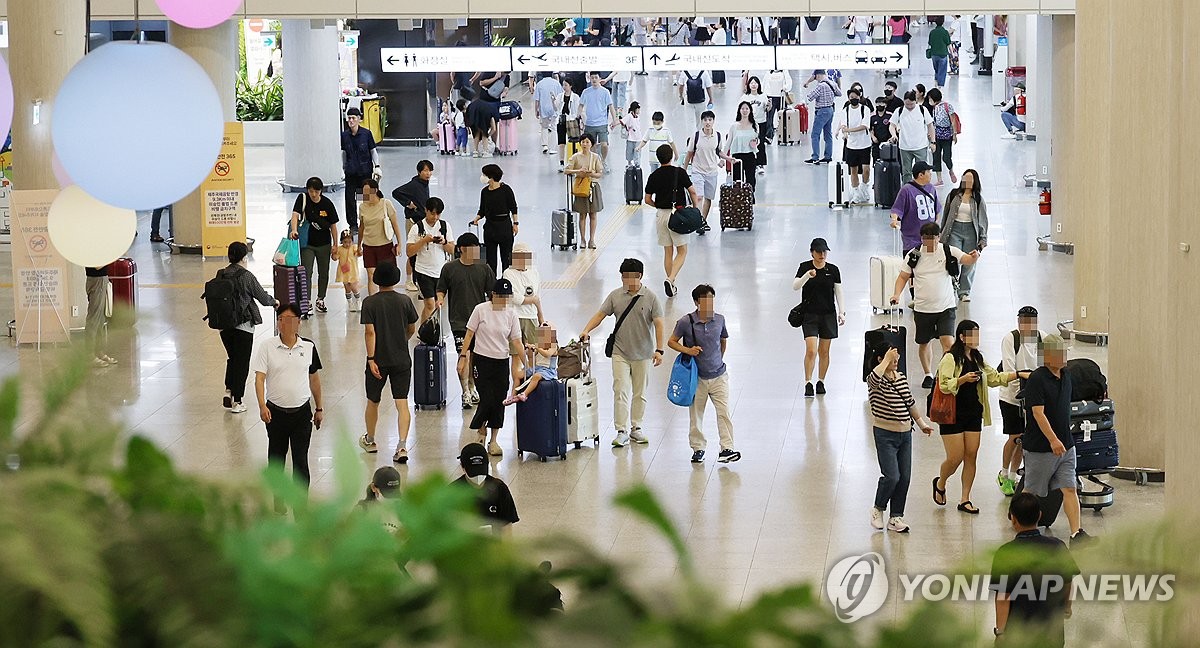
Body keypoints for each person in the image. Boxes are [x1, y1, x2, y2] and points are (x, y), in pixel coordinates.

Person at [932, 320, 1024, 515]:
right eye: (972, 335)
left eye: (978, 335)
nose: (976, 339)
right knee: (955, 457)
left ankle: (965, 499)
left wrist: (1018, 374)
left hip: (973, 414)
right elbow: (944, 385)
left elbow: (994, 378)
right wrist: (963, 379)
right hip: (952, 415)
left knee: (971, 455)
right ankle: (940, 482)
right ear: (962, 337)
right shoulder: (950, 358)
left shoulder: (978, 359)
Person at [579, 258, 666, 448]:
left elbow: (659, 323)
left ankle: (637, 427)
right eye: (624, 276)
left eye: (630, 277)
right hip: (620, 352)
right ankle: (621, 430)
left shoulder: (650, 297)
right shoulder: (615, 296)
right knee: (620, 390)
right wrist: (587, 330)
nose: (626, 280)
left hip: (643, 353)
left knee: (640, 392)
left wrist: (659, 350)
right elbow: (600, 315)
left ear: (640, 276)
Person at [1022, 334, 1093, 545]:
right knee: (1031, 493)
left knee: (1069, 488)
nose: (1063, 357)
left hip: (1066, 445)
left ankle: (1076, 534)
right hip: (1041, 448)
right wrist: (1053, 440)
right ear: (1046, 357)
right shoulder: (1037, 379)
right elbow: (1037, 413)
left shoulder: (1067, 375)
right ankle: (1025, 533)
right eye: (1058, 353)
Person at [890, 221, 980, 388]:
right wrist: (896, 294)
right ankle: (928, 374)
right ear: (921, 238)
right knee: (924, 343)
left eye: (933, 238)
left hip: (946, 307)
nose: (930, 242)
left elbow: (966, 259)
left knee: (948, 342)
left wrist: (974, 257)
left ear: (939, 237)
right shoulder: (913, 255)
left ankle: (946, 374)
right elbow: (903, 277)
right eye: (926, 238)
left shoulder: (947, 250)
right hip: (923, 308)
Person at [251, 303, 324, 505]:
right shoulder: (267, 347)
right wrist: (261, 406)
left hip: (301, 414)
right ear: (278, 323)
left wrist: (319, 408)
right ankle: (278, 500)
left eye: (292, 320)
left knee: (301, 461)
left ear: (299, 322)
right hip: (275, 414)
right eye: (282, 319)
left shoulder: (308, 347)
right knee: (276, 460)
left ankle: (301, 504)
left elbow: (314, 379)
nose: (287, 324)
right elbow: (259, 378)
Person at [990, 492, 1080, 646]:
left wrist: (1001, 632)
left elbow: (1003, 597)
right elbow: (1067, 582)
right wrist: (1067, 606)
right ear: (1039, 515)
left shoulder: (1005, 553)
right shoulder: (1057, 546)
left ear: (1013, 519)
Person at [667, 284, 741, 464]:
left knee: (723, 412)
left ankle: (727, 448)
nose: (709, 305)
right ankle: (698, 448)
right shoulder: (686, 322)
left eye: (711, 300)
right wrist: (688, 350)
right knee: (696, 414)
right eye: (705, 301)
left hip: (719, 376)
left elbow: (723, 342)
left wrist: (718, 359)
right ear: (696, 302)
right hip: (696, 377)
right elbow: (671, 341)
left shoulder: (720, 320)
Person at [866, 344, 936, 533]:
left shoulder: (901, 378)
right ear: (881, 360)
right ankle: (878, 508)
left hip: (905, 434)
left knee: (904, 477)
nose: (896, 363)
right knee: (892, 476)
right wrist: (886, 359)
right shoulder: (875, 379)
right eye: (892, 360)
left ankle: (896, 516)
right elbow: (872, 381)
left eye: (897, 359)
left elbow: (910, 403)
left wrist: (922, 424)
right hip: (884, 433)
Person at [358, 261, 420, 464]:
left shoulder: (369, 303)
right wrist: (402, 340)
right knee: (401, 402)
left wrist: (370, 358)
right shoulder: (404, 301)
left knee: (373, 400)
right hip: (401, 358)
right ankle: (402, 445)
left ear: (377, 280)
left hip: (378, 359)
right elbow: (412, 327)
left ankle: (371, 440)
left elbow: (370, 332)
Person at [459, 279, 525, 457]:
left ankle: (493, 440)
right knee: (487, 399)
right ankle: (481, 432)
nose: (504, 300)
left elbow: (517, 341)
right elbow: (470, 333)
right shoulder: (481, 309)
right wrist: (463, 356)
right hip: (482, 361)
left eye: (507, 297)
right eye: (500, 296)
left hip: (501, 362)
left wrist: (528, 362)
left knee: (499, 402)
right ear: (493, 295)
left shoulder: (511, 314)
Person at [215, 242, 278, 412]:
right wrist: (274, 302)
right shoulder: (246, 276)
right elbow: (262, 298)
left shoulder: (221, 274)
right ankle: (237, 400)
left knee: (232, 358)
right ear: (244, 257)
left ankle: (229, 391)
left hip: (224, 325)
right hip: (243, 326)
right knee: (242, 362)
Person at [437, 233, 494, 410]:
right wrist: (440, 300)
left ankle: (472, 387)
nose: (476, 250)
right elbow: (441, 289)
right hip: (459, 321)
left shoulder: (484, 268)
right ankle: (465, 393)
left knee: (475, 357)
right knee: (465, 355)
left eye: (477, 246)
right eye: (472, 247)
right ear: (462, 249)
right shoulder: (449, 268)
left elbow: (493, 294)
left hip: (480, 322)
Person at [997, 306, 1044, 496]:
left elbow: (1048, 367)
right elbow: (1010, 371)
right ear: (1018, 322)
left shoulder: (1044, 338)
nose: (1027, 326)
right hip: (1011, 396)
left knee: (1025, 439)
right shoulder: (1010, 339)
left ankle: (1014, 474)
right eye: (1023, 322)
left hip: (1033, 396)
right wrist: (1021, 394)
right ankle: (1004, 472)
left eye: (1030, 322)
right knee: (1014, 437)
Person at [643, 145, 701, 298]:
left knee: (668, 251)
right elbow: (693, 191)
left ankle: (672, 284)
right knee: (682, 251)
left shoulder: (654, 176)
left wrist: (660, 206)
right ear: (671, 157)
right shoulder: (679, 172)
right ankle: (670, 279)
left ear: (658, 158)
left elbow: (647, 199)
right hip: (678, 215)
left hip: (661, 215)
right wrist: (696, 208)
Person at [792, 238, 846, 398]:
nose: (822, 255)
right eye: (818, 252)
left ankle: (821, 380)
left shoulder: (833, 270)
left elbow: (838, 291)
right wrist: (807, 276)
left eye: (824, 252)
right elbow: (795, 286)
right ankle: (808, 382)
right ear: (812, 252)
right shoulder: (805, 267)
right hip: (809, 315)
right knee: (811, 350)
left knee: (824, 351)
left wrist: (842, 312)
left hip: (828, 314)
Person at [290, 176, 339, 316]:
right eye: (311, 191)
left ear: (321, 191)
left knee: (324, 273)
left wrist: (335, 245)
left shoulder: (327, 204)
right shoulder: (302, 199)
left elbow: (333, 227)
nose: (313, 194)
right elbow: (295, 216)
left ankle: (321, 299)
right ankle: (306, 302)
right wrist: (294, 230)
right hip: (308, 243)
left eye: (316, 191)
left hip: (324, 244)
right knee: (306, 272)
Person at [939, 169, 989, 301]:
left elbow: (983, 220)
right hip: (954, 230)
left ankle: (964, 292)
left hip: (971, 232)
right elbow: (946, 214)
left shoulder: (978, 199)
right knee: (954, 260)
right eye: (965, 178)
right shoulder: (954, 194)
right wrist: (941, 232)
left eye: (970, 179)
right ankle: (951, 288)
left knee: (969, 262)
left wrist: (983, 240)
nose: (967, 181)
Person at [406, 197, 456, 324]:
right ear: (426, 211)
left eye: (438, 214)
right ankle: (424, 335)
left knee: (437, 304)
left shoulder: (445, 226)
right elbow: (409, 251)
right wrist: (423, 241)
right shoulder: (417, 228)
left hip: (441, 272)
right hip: (423, 272)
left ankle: (431, 330)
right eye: (432, 213)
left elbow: (452, 250)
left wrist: (444, 242)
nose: (435, 217)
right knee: (429, 304)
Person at [453, 442, 519, 533]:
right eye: (474, 472)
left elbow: (506, 526)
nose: (478, 477)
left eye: (480, 470)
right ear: (462, 467)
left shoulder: (499, 489)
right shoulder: (452, 492)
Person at [390, 160, 433, 292]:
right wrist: (408, 203)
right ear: (419, 172)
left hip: (423, 221)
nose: (428, 173)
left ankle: (419, 279)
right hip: (413, 221)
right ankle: (409, 280)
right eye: (425, 171)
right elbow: (396, 192)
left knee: (421, 251)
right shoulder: (414, 184)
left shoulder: (425, 184)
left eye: (430, 170)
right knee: (412, 251)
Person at [472, 164, 519, 275]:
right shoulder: (484, 192)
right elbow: (482, 209)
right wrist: (476, 218)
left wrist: (515, 223)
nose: (482, 177)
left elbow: (513, 207)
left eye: (484, 174)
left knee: (506, 258)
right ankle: (491, 283)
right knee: (490, 259)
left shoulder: (506, 190)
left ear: (491, 176)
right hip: (490, 227)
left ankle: (506, 281)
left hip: (504, 226)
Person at [359, 177, 403, 296]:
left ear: (376, 190)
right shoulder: (362, 206)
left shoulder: (386, 203)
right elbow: (361, 227)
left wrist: (399, 243)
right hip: (368, 245)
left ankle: (387, 299)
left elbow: (395, 224)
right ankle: (373, 300)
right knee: (371, 275)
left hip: (385, 245)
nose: (366, 194)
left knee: (387, 276)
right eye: (364, 192)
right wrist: (358, 245)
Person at [341, 107, 381, 234]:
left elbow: (373, 151)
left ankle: (368, 221)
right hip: (351, 173)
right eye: (349, 118)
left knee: (366, 198)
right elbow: (344, 152)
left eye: (353, 118)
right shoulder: (344, 135)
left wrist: (377, 166)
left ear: (359, 119)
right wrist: (343, 167)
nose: (351, 121)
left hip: (365, 173)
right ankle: (353, 225)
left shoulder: (366, 134)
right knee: (350, 199)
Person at [682, 110, 722, 233]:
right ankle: (699, 222)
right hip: (697, 170)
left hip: (712, 171)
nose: (707, 122)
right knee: (698, 197)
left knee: (708, 199)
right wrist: (684, 170)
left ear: (713, 121)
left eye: (710, 120)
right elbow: (689, 153)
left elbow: (718, 151)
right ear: (702, 122)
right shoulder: (696, 136)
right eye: (705, 120)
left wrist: (725, 159)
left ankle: (702, 221)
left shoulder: (718, 136)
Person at [890, 160, 941, 253]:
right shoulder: (906, 190)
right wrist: (894, 220)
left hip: (930, 239)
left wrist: (936, 227)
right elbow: (897, 209)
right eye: (928, 172)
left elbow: (936, 209)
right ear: (921, 175)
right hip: (912, 241)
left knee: (929, 265)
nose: (931, 174)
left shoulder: (931, 188)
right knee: (913, 265)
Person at [565, 133, 605, 249]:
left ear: (591, 144)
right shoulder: (575, 157)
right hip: (581, 188)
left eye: (587, 142)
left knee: (593, 214)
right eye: (583, 142)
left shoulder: (596, 157)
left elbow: (599, 174)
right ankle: (582, 239)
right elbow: (566, 170)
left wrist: (591, 173)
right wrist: (579, 171)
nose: (585, 144)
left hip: (593, 187)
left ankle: (591, 240)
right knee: (582, 215)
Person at [505, 322, 558, 404]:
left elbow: (547, 354)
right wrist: (529, 349)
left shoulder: (554, 346)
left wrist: (537, 348)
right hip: (537, 368)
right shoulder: (539, 345)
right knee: (518, 375)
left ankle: (525, 394)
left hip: (547, 370)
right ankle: (513, 395)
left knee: (536, 376)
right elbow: (531, 356)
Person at [836, 87, 874, 203]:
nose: (854, 99)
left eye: (856, 97)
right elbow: (843, 125)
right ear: (848, 98)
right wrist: (843, 130)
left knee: (866, 169)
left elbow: (864, 126)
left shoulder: (865, 109)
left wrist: (849, 130)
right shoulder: (845, 111)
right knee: (853, 170)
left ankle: (864, 187)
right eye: (851, 97)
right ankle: (856, 192)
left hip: (865, 144)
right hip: (851, 146)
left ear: (859, 97)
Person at [502, 242, 544, 345]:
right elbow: (513, 296)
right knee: (516, 352)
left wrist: (541, 316)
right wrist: (531, 300)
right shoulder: (508, 273)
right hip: (515, 316)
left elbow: (537, 296)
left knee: (534, 350)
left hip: (531, 316)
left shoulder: (534, 272)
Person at [889, 91, 935, 183]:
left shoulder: (922, 110)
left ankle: (922, 190)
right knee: (906, 172)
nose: (909, 106)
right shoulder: (899, 110)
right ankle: (907, 191)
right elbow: (892, 125)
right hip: (905, 147)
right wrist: (894, 135)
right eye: (907, 104)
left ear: (916, 101)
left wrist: (933, 142)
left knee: (922, 172)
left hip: (920, 146)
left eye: (912, 104)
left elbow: (930, 126)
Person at [579, 72, 617, 172]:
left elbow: (611, 106)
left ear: (600, 79)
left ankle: (603, 160)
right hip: (590, 123)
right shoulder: (586, 92)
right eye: (592, 78)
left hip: (602, 123)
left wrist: (615, 119)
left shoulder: (605, 92)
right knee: (592, 146)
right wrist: (578, 117)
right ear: (589, 79)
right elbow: (581, 105)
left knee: (604, 144)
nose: (594, 80)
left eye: (596, 78)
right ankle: (595, 162)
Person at [802, 69, 841, 164]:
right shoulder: (832, 83)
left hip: (821, 111)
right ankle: (828, 156)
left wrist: (804, 102)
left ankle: (815, 157)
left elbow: (810, 97)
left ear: (818, 75)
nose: (816, 80)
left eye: (815, 78)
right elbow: (840, 93)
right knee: (828, 134)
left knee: (815, 134)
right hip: (830, 110)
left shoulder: (821, 86)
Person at [84, 265, 118, 369]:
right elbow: (98, 266)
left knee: (100, 320)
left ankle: (99, 351)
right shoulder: (91, 251)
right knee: (94, 319)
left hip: (101, 279)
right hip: (96, 280)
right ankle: (89, 355)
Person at [723, 101, 761, 193]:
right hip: (736, 156)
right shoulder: (734, 126)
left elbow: (758, 139)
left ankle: (750, 196)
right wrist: (723, 158)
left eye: (747, 108)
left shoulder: (755, 125)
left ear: (750, 111)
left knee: (751, 178)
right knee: (737, 179)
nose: (744, 111)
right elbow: (728, 143)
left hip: (750, 155)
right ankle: (738, 198)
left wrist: (756, 142)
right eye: (742, 108)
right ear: (739, 110)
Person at [927, 88, 959, 186]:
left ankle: (951, 169)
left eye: (930, 99)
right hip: (936, 136)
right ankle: (939, 179)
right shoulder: (933, 108)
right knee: (936, 157)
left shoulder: (947, 106)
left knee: (946, 157)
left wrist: (954, 134)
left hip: (947, 136)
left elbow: (953, 121)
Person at [740, 76, 770, 172]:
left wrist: (769, 106)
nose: (753, 85)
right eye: (751, 83)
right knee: (750, 143)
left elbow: (767, 109)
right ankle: (752, 163)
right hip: (749, 123)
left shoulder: (763, 96)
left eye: (755, 83)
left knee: (760, 143)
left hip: (761, 122)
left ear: (758, 85)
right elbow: (740, 110)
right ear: (748, 85)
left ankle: (761, 164)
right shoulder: (745, 97)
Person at [533, 72, 564, 156]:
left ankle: (545, 146)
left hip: (543, 109)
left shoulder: (539, 84)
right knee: (554, 128)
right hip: (554, 108)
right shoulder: (556, 83)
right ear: (552, 74)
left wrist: (536, 110)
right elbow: (561, 96)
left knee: (544, 127)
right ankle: (553, 148)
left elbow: (537, 99)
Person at [556, 79, 582, 171]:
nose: (564, 87)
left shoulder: (575, 97)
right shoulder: (560, 96)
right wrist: (553, 101)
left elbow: (579, 109)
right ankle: (561, 162)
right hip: (561, 120)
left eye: (566, 85)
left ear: (570, 86)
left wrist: (579, 119)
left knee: (574, 142)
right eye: (563, 85)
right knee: (561, 142)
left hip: (572, 121)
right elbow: (556, 108)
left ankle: (574, 161)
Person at [335, 231, 362, 312]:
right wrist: (333, 254)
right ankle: (350, 303)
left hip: (353, 271)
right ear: (341, 241)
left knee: (354, 287)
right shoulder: (339, 249)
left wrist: (360, 252)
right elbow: (335, 258)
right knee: (347, 288)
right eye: (345, 242)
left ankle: (358, 300)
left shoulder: (354, 247)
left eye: (349, 242)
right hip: (344, 273)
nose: (347, 244)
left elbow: (358, 254)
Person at [763, 69, 792, 140]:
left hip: (781, 97)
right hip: (770, 96)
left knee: (783, 117)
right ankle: (769, 135)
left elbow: (789, 81)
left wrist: (786, 88)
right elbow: (764, 84)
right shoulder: (768, 72)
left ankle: (783, 134)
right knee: (769, 117)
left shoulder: (784, 71)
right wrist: (764, 95)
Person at [928, 19, 952, 87]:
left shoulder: (932, 32)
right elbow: (948, 43)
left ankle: (935, 82)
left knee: (936, 69)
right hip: (943, 54)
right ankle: (939, 86)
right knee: (942, 71)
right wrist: (952, 53)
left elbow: (930, 43)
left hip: (934, 54)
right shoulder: (945, 32)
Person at [619, 101, 643, 167]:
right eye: (638, 109)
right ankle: (629, 163)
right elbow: (622, 121)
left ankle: (637, 164)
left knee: (637, 152)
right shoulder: (629, 116)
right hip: (630, 138)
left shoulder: (638, 117)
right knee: (629, 152)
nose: (639, 110)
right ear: (634, 109)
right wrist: (614, 124)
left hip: (638, 138)